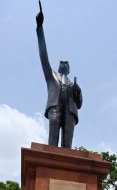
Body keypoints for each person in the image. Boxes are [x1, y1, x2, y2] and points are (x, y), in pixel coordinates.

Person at [36, 3, 83, 148]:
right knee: (53, 137)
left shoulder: (72, 84)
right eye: (61, 62)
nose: (63, 64)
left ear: (68, 69)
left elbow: (79, 104)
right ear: (58, 66)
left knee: (67, 143)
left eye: (66, 63)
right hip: (55, 107)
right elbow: (44, 56)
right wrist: (40, 29)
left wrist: (78, 91)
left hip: (70, 110)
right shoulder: (51, 76)